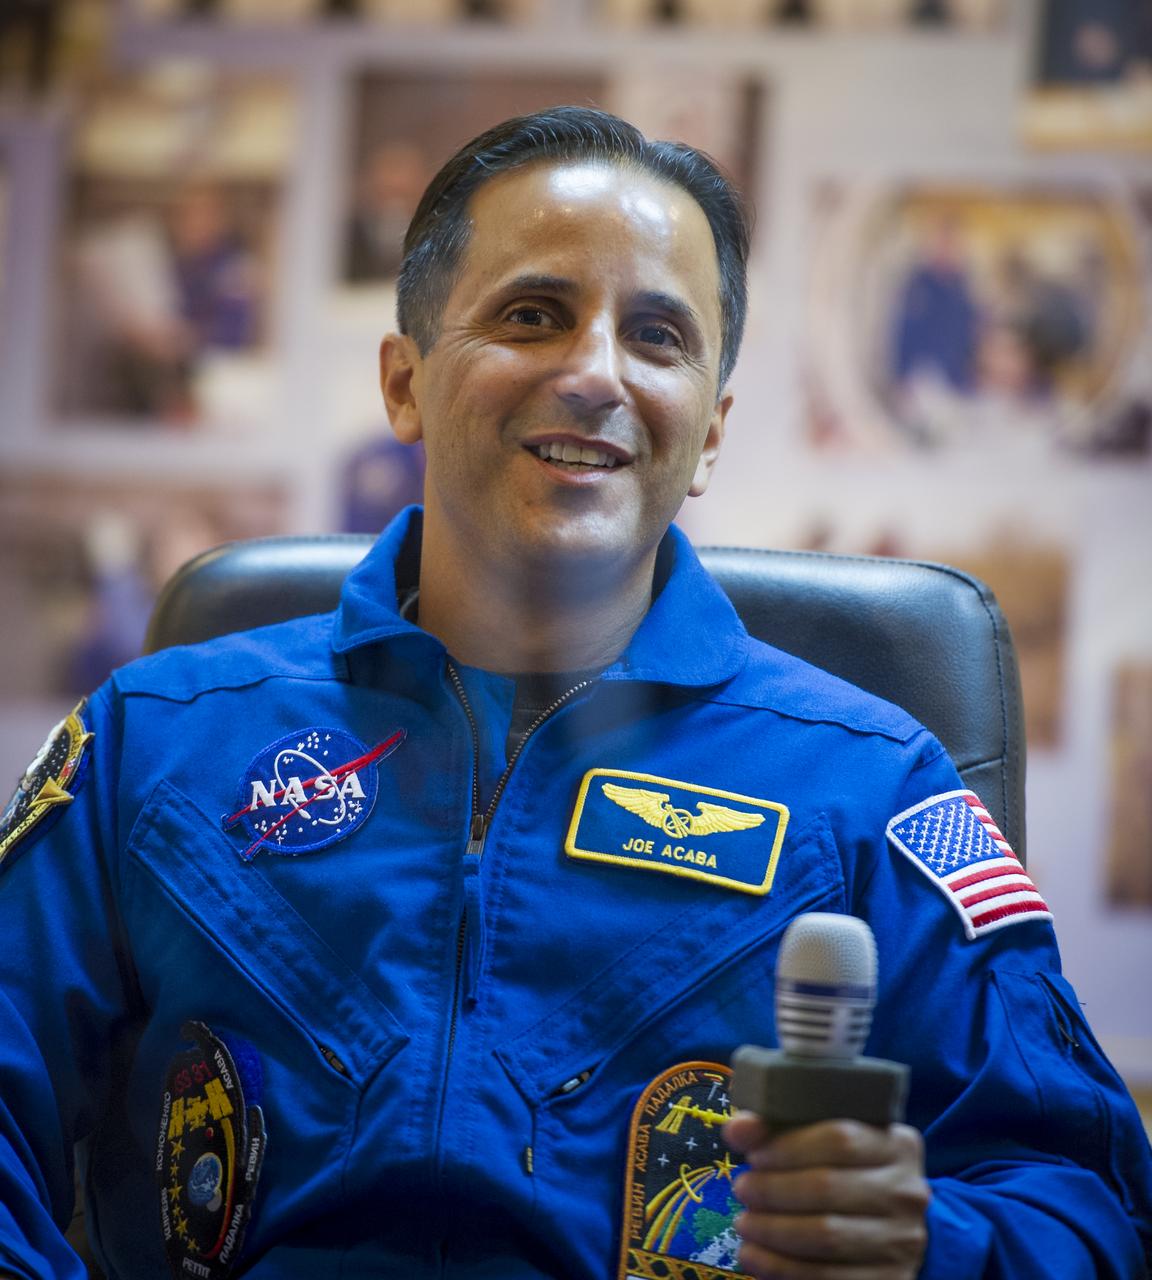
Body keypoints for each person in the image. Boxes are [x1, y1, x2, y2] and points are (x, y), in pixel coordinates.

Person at [0, 106, 1149, 1280]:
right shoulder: (154, 740)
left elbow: (1090, 1203)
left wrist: (924, 1246)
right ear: (404, 382)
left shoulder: (871, 787)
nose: (595, 372)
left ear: (707, 433)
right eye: (533, 314)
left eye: (658, 336)